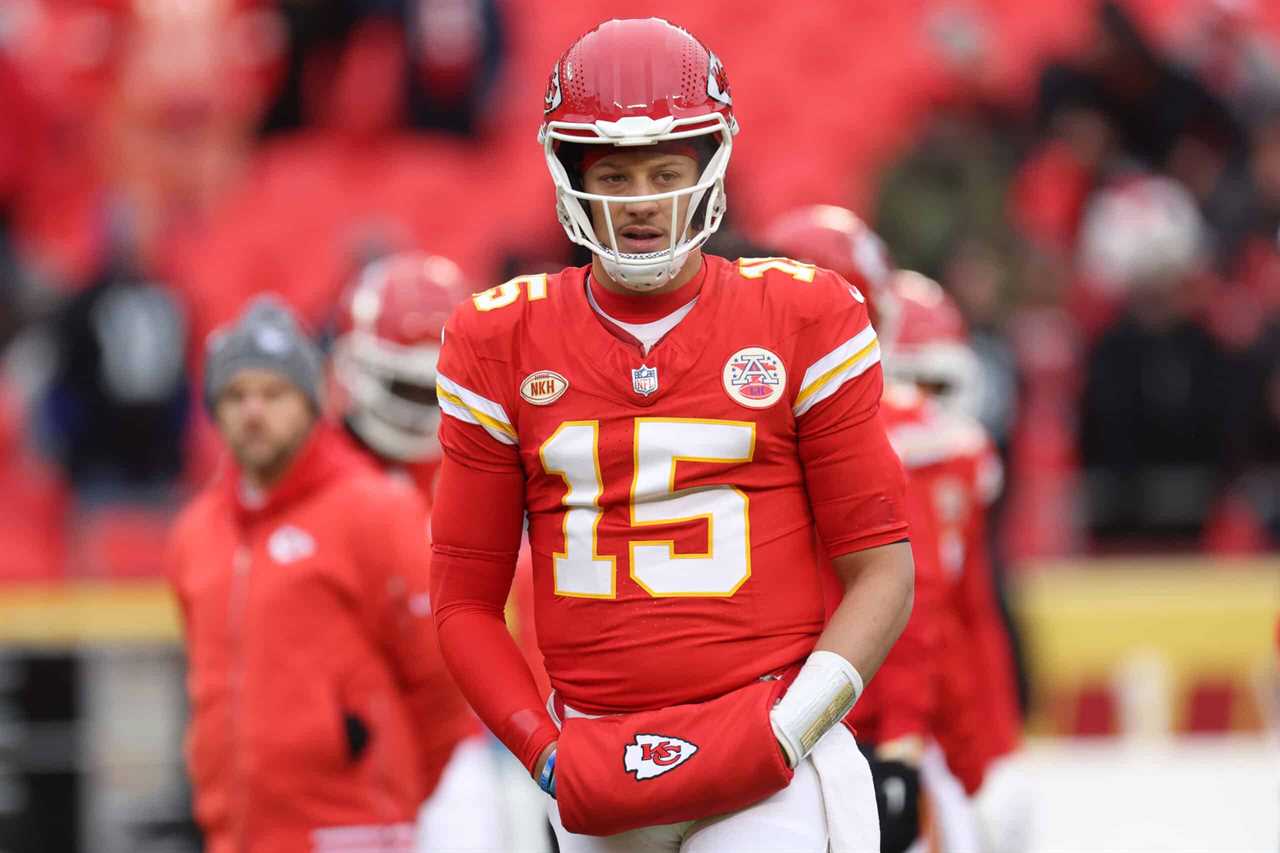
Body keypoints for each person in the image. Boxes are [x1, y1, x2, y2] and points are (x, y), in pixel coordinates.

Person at [429, 18, 915, 852]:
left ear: (708, 171)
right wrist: (543, 753)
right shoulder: (497, 337)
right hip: (597, 754)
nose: (642, 199)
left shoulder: (802, 314)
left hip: (768, 744)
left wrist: (789, 729)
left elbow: (882, 568)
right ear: (570, 175)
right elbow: (464, 602)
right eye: (614, 173)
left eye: (664, 170)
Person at [765, 206, 1025, 853]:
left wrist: (926, 744)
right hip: (781, 725)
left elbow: (925, 606)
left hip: (841, 725)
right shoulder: (740, 424)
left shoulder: (904, 438)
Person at [168, 296, 464, 853]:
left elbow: (440, 681)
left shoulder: (374, 511)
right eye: (235, 395)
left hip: (351, 830)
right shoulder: (196, 533)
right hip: (233, 833)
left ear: (311, 402)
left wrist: (390, 791)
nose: (253, 411)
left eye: (274, 394)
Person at [332, 251, 543, 850]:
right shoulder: (326, 482)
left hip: (488, 740)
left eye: (432, 385)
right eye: (403, 383)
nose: (417, 405)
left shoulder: (501, 458)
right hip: (365, 740)